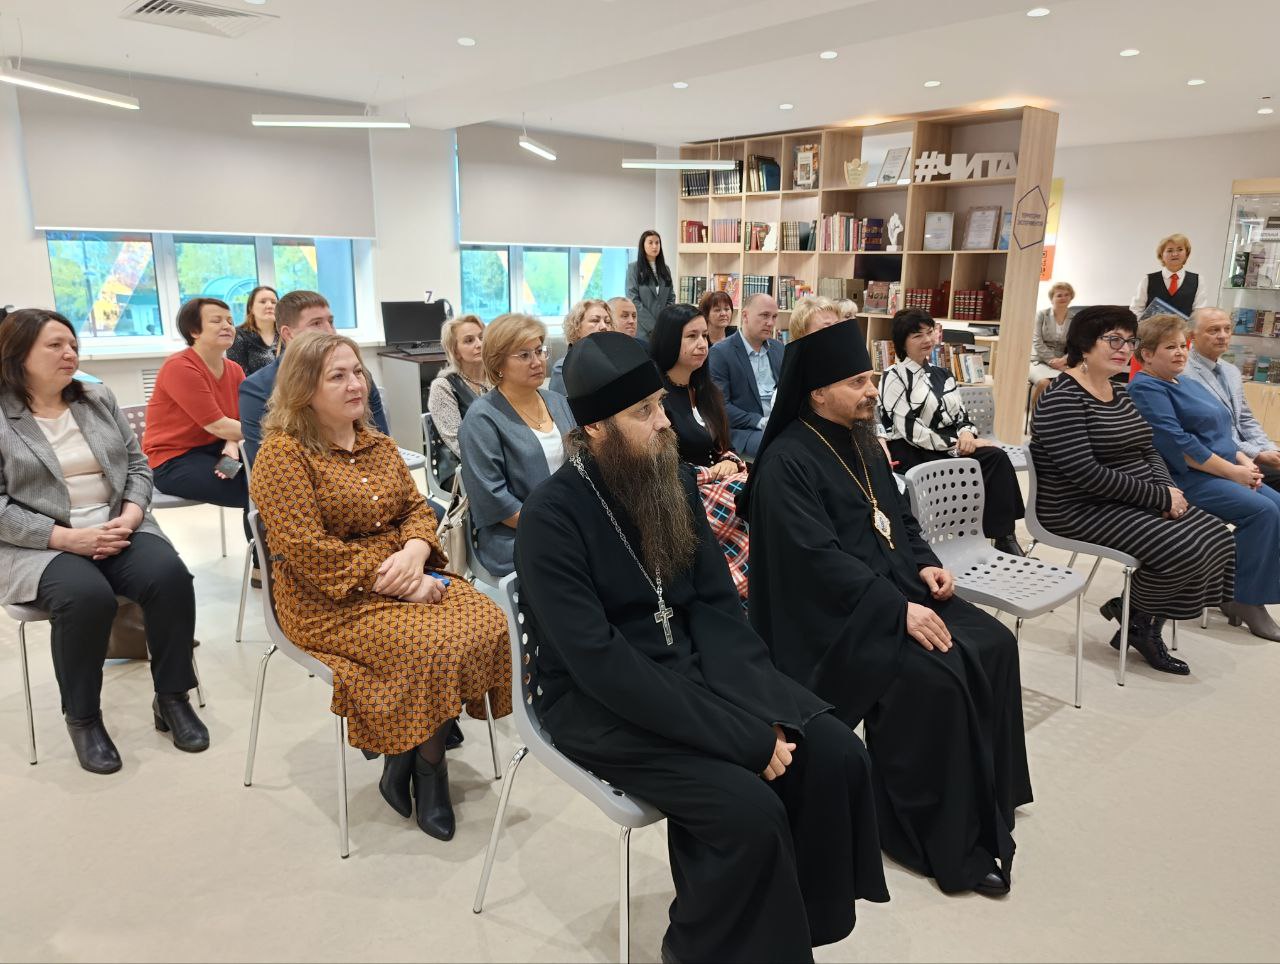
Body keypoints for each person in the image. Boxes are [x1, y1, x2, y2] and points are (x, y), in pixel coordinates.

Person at [515, 331, 888, 962]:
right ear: (595, 430)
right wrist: (742, 737)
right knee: (748, 812)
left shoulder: (670, 479)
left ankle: (795, 932)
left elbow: (715, 606)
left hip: (693, 668)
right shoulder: (551, 518)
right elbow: (600, 663)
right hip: (597, 701)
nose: (665, 423)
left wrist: (759, 701)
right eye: (644, 413)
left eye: (660, 406)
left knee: (833, 754)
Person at [743, 320, 1031, 898]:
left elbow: (899, 518)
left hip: (895, 587)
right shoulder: (786, 463)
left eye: (871, 378)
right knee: (938, 678)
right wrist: (896, 611)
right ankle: (932, 832)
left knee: (996, 644)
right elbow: (814, 562)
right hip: (835, 618)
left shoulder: (863, 439)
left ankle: (992, 796)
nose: (872, 390)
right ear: (817, 392)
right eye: (857, 381)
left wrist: (924, 563)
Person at [249, 332, 511, 839]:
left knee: (487, 620)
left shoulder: (377, 443)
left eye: (357, 372)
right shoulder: (283, 456)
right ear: (304, 389)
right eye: (338, 376)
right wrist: (404, 585)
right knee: (432, 646)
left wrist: (415, 552)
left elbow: (416, 509)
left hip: (403, 572)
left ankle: (408, 759)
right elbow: (309, 551)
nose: (356, 384)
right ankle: (430, 772)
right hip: (326, 600)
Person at [0, 309, 205, 773]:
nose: (69, 353)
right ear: (18, 353)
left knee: (170, 577)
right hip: (41, 542)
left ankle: (172, 698)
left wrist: (131, 516)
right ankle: (84, 719)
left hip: (117, 525)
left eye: (73, 344)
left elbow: (138, 465)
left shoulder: (96, 398)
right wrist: (67, 538)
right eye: (55, 345)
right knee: (86, 597)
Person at [1029, 306, 1236, 674]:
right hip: (1077, 508)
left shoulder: (1118, 391)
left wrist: (1168, 489)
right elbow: (1085, 474)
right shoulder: (1062, 398)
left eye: (1129, 341)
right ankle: (1140, 622)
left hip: (1125, 498)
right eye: (1113, 340)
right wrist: (1157, 497)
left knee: (1217, 537)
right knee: (1184, 548)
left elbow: (1148, 448)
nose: (1124, 349)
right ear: (1084, 343)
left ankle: (1136, 614)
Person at [1128, 314, 1280, 642]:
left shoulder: (1184, 382)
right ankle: (1246, 599)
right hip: (1185, 478)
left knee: (1278, 505)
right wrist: (1234, 472)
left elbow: (1222, 430)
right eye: (1170, 347)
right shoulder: (1145, 387)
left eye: (1183, 346)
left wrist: (1245, 463)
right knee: (1263, 512)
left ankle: (1234, 590)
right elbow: (1179, 445)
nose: (1180, 353)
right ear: (1147, 355)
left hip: (1221, 468)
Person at [879, 308, 1025, 555]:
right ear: (902, 342)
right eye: (917, 335)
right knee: (971, 464)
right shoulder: (893, 376)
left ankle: (1004, 537)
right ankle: (967, 534)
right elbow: (910, 430)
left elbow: (961, 415)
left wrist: (967, 434)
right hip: (913, 449)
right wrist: (956, 444)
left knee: (996, 458)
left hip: (949, 443)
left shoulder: (943, 374)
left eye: (929, 332)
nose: (926, 339)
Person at [459, 313, 575, 578]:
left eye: (539, 351)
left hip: (567, 521)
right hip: (515, 534)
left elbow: (582, 464)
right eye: (524, 355)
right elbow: (493, 498)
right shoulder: (481, 419)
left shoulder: (557, 402)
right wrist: (555, 527)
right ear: (498, 363)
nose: (537, 361)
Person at [649, 304, 750, 601]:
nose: (702, 344)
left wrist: (729, 460)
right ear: (670, 340)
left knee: (764, 491)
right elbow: (659, 464)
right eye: (691, 336)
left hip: (718, 485)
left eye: (705, 335)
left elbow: (726, 447)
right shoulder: (657, 398)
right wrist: (712, 472)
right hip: (680, 494)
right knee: (752, 503)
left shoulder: (707, 391)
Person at [143, 297, 250, 545]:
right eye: (216, 320)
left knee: (272, 475)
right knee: (257, 488)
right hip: (174, 460)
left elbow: (237, 418)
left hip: (218, 450)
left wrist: (232, 444)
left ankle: (272, 560)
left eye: (230, 321)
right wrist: (268, 432)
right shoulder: (180, 367)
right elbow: (218, 425)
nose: (227, 326)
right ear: (194, 331)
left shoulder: (234, 369)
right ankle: (264, 563)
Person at [239, 290, 390, 466]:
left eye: (331, 322)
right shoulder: (257, 388)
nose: (330, 331)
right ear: (288, 334)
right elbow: (268, 465)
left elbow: (380, 439)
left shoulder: (358, 376)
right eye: (316, 323)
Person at [1182, 306, 1280, 492]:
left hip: (1245, 451)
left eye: (1227, 329)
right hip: (1219, 456)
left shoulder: (1231, 370)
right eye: (1213, 330)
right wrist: (1257, 454)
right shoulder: (1183, 373)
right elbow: (1208, 432)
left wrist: (1269, 448)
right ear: (1192, 336)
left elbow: (1245, 418)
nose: (1223, 335)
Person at [708, 292, 783, 459]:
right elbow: (720, 407)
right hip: (743, 431)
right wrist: (760, 422)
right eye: (764, 315)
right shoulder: (721, 353)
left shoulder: (779, 349)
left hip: (778, 424)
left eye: (774, 317)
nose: (770, 323)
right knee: (781, 445)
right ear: (745, 315)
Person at [1128, 232, 1209, 378]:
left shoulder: (1197, 280)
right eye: (1170, 250)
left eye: (1180, 249)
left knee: (1178, 379)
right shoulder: (1148, 279)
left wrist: (1186, 332)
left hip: (1181, 341)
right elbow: (1136, 309)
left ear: (1186, 253)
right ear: (1162, 255)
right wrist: (1145, 329)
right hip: (1149, 340)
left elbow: (1198, 312)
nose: (1175, 254)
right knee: (1144, 379)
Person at [426, 313, 490, 462]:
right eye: (469, 340)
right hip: (466, 465)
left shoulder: (499, 378)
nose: (479, 344)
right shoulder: (443, 386)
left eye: (482, 338)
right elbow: (458, 443)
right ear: (455, 351)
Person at [548, 298, 613, 394]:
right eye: (595, 320)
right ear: (577, 327)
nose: (604, 326)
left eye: (607, 322)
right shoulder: (563, 368)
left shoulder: (615, 362)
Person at [1029, 281, 1078, 410]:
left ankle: (1057, 415)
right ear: (1052, 299)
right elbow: (1036, 341)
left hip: (1062, 361)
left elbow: (1076, 345)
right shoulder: (1042, 314)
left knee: (1073, 382)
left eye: (1067, 295)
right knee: (1044, 383)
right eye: (1059, 295)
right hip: (1038, 360)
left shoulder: (1075, 319)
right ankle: (1036, 415)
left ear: (1071, 297)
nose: (1063, 298)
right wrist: (1052, 361)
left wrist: (1063, 360)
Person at [625, 229, 675, 339]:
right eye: (650, 243)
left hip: (664, 329)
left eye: (657, 243)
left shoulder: (665, 269)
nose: (655, 246)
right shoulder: (633, 268)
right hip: (643, 330)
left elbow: (671, 298)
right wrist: (653, 326)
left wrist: (664, 321)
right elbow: (633, 300)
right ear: (643, 245)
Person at [226, 285, 279, 376]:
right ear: (251, 308)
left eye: (274, 302)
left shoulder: (286, 333)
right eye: (263, 302)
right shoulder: (238, 335)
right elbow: (239, 375)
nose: (269, 306)